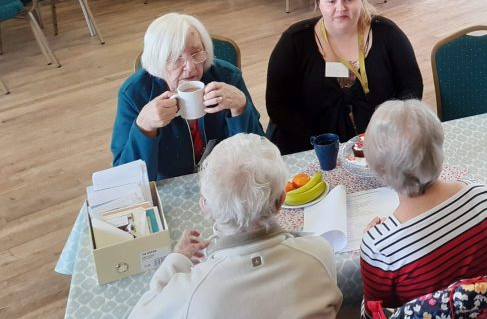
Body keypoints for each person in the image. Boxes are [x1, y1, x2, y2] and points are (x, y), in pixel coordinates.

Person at [360, 100, 487, 318]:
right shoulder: (480, 197)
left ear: (378, 168)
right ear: (439, 148)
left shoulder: (379, 247)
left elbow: (376, 314)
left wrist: (373, 245)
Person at [128, 133, 342, 319]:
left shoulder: (190, 292)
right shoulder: (319, 251)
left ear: (205, 206)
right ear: (280, 202)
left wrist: (176, 261)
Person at [265, 0, 422, 153]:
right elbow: (277, 104)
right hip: (312, 148)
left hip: (383, 146)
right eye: (331, 1)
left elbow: (412, 84)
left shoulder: (386, 33)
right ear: (318, 3)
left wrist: (394, 127)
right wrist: (315, 142)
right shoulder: (295, 41)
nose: (341, 8)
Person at [111, 14, 263, 181]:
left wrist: (241, 108)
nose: (191, 68)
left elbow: (259, 155)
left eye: (197, 53)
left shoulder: (226, 77)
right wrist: (144, 127)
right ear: (157, 61)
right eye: (176, 58)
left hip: (224, 180)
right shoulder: (134, 93)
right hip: (168, 187)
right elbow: (126, 178)